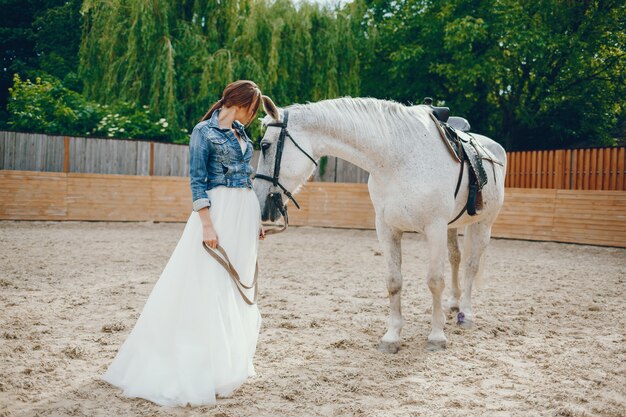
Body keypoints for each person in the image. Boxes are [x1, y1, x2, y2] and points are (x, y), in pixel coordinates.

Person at [101, 80, 267, 407]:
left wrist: (256, 218)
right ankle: (199, 365)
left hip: (243, 214)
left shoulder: (241, 132)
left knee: (234, 288)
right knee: (207, 284)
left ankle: (224, 364)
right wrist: (206, 224)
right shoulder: (203, 132)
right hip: (217, 213)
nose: (253, 117)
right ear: (241, 102)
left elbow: (246, 176)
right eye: (253, 109)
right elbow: (197, 181)